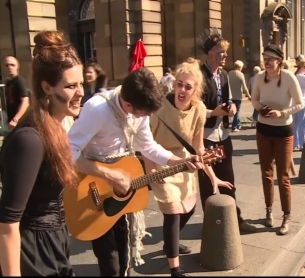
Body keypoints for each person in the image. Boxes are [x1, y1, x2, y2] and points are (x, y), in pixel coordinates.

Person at [68, 67, 203, 276]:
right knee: (110, 262)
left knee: (124, 259)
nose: (146, 117)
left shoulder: (138, 109)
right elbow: (68, 152)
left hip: (120, 190)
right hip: (91, 190)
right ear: (129, 104)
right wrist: (109, 174)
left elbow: (148, 147)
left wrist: (180, 160)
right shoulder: (97, 109)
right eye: (144, 113)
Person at [0, 30, 82, 276]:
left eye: (81, 84)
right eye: (70, 86)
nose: (80, 92)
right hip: (31, 253)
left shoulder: (55, 126)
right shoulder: (30, 140)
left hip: (54, 243)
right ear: (46, 87)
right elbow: (7, 224)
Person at [147, 57, 233, 277]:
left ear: (195, 90)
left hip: (185, 164)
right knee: (173, 211)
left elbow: (198, 148)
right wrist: (151, 169)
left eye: (188, 86)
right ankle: (175, 268)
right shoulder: (159, 107)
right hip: (159, 161)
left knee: (189, 207)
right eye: (179, 84)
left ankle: (169, 244)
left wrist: (212, 176)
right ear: (174, 84)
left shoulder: (199, 110)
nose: (182, 90)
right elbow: (145, 143)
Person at [196, 27, 257, 233]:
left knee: (228, 179)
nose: (225, 56)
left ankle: (233, 220)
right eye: (221, 52)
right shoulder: (199, 76)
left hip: (223, 135)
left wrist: (230, 106)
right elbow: (194, 110)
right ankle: (212, 224)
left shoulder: (223, 75)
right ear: (211, 54)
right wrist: (214, 112)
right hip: (205, 137)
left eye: (225, 52)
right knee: (208, 183)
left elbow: (228, 98)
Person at [251, 44, 304, 235]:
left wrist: (282, 112)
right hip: (263, 130)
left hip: (283, 131)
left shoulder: (288, 78)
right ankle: (268, 210)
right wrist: (260, 108)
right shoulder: (259, 78)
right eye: (265, 58)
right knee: (266, 173)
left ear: (279, 61)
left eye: (271, 59)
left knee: (283, 176)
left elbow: (300, 104)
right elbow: (254, 99)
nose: (267, 62)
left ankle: (286, 216)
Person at [3, 56, 30, 130]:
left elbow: (25, 102)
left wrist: (15, 119)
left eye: (12, 65)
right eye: (7, 65)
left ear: (17, 66)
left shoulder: (19, 81)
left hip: (21, 122)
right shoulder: (8, 83)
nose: (9, 67)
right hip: (12, 122)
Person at [228, 60, 250, 132]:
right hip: (238, 96)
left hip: (230, 96)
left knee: (232, 110)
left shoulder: (229, 73)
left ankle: (238, 123)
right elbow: (244, 87)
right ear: (240, 67)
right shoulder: (240, 74)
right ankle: (234, 127)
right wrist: (248, 95)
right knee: (237, 111)